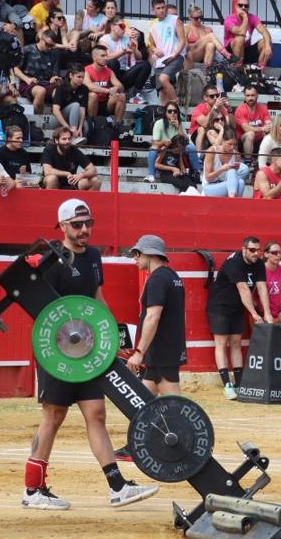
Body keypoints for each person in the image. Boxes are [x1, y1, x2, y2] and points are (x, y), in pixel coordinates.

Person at [23, 201, 158, 510]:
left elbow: (98, 301)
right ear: (62, 227)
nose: (84, 230)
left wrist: (116, 339)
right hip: (57, 353)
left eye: (88, 223)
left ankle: (117, 486)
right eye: (77, 225)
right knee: (53, 417)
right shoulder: (51, 261)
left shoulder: (95, 256)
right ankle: (33, 490)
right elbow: (45, 313)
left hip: (87, 351)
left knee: (96, 412)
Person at [207, 236, 271, 399]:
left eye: (259, 250)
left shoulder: (258, 263)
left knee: (236, 343)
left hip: (237, 307)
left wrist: (268, 312)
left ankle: (239, 383)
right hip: (220, 307)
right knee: (221, 343)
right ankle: (227, 384)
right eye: (252, 250)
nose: (256, 253)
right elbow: (243, 288)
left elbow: (262, 287)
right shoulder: (234, 263)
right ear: (244, 249)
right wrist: (254, 313)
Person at [126, 234, 186, 395]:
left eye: (137, 253)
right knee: (142, 404)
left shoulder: (157, 279)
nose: (134, 258)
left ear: (148, 253)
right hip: (165, 349)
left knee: (174, 407)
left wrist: (139, 353)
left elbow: (153, 317)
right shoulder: (172, 276)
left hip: (162, 352)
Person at [147, 0, 187, 106]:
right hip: (161, 61)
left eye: (163, 7)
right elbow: (150, 44)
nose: (161, 10)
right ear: (153, 10)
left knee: (163, 79)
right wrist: (155, 49)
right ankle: (166, 116)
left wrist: (174, 55)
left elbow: (183, 40)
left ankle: (176, 105)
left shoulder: (175, 19)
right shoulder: (153, 26)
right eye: (158, 8)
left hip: (176, 56)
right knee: (163, 93)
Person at [42, 126, 100, 190]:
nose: (67, 141)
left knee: (95, 181)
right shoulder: (49, 150)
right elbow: (47, 171)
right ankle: (51, 200)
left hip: (71, 182)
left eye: (69, 138)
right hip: (55, 183)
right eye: (64, 139)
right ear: (56, 140)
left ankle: (88, 200)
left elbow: (93, 170)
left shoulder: (75, 151)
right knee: (51, 179)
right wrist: (66, 173)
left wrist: (81, 175)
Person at [222, 0, 273, 68]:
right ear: (236, 6)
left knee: (266, 41)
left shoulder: (253, 18)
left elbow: (265, 32)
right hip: (231, 53)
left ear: (248, 7)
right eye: (240, 5)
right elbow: (241, 32)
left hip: (246, 50)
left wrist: (268, 46)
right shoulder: (229, 19)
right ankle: (238, 68)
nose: (243, 7)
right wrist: (245, 17)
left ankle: (259, 68)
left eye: (246, 6)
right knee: (240, 39)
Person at [201, 133, 250, 197]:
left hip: (228, 186)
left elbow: (232, 177)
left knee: (240, 181)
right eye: (230, 144)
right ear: (223, 141)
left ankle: (232, 197)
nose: (232, 147)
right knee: (239, 183)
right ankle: (234, 202)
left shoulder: (237, 155)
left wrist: (236, 170)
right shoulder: (212, 151)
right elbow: (208, 178)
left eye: (235, 144)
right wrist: (222, 169)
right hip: (210, 186)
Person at [263, 241, 281, 321]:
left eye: (280, 253)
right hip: (262, 315)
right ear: (266, 254)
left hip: (277, 315)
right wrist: (260, 313)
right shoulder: (260, 270)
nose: (278, 255)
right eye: (274, 253)